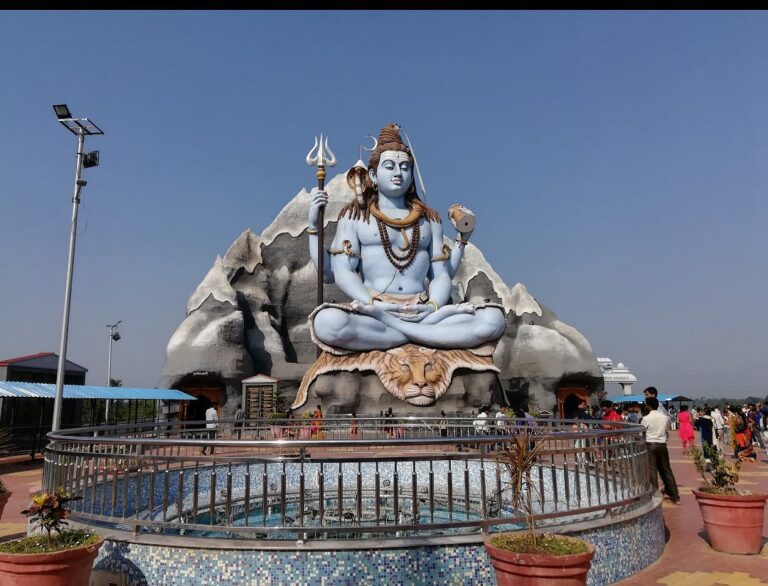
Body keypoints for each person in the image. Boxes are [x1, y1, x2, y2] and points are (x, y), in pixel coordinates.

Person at [307, 124, 506, 362]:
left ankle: (400, 331)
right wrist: (373, 304)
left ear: (411, 174)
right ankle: (424, 335)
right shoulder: (355, 216)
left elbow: (441, 275)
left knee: (493, 319)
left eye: (404, 167)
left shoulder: (428, 219)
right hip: (374, 310)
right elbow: (340, 272)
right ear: (373, 175)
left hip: (422, 310)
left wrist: (433, 307)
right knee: (328, 323)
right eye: (389, 166)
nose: (398, 173)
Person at [642, 397, 680, 504]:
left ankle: (655, 496)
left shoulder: (646, 418)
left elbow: (642, 432)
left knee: (652, 470)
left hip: (650, 444)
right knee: (667, 470)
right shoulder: (664, 417)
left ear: (648, 406)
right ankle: (675, 496)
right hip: (662, 444)